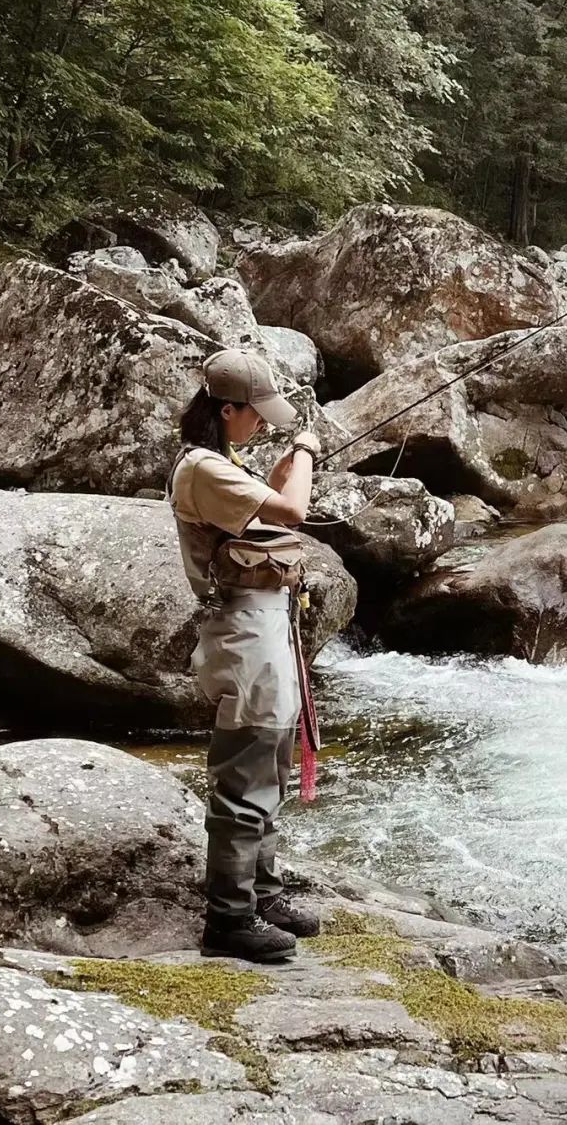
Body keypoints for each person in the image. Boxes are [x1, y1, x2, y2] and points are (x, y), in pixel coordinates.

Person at [168, 347, 324, 963]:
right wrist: (305, 453)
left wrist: (285, 466)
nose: (261, 423)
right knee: (246, 773)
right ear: (226, 409)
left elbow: (271, 507)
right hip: (243, 634)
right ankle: (229, 919)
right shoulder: (203, 468)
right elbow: (294, 512)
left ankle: (263, 895)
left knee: (271, 765)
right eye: (255, 413)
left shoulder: (221, 463)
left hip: (263, 627)